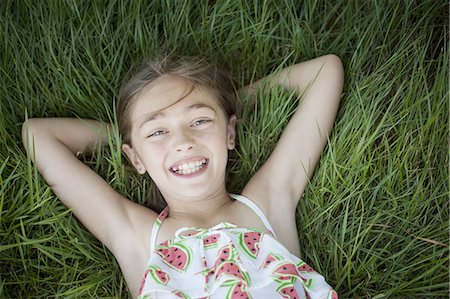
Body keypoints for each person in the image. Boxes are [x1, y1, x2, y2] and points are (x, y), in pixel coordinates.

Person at [22, 54, 343, 298]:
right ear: (135, 158)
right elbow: (38, 134)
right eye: (158, 131)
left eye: (200, 121)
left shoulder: (270, 201)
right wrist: (127, 136)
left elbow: (324, 71)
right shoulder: (134, 233)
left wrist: (228, 106)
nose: (182, 142)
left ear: (229, 134)